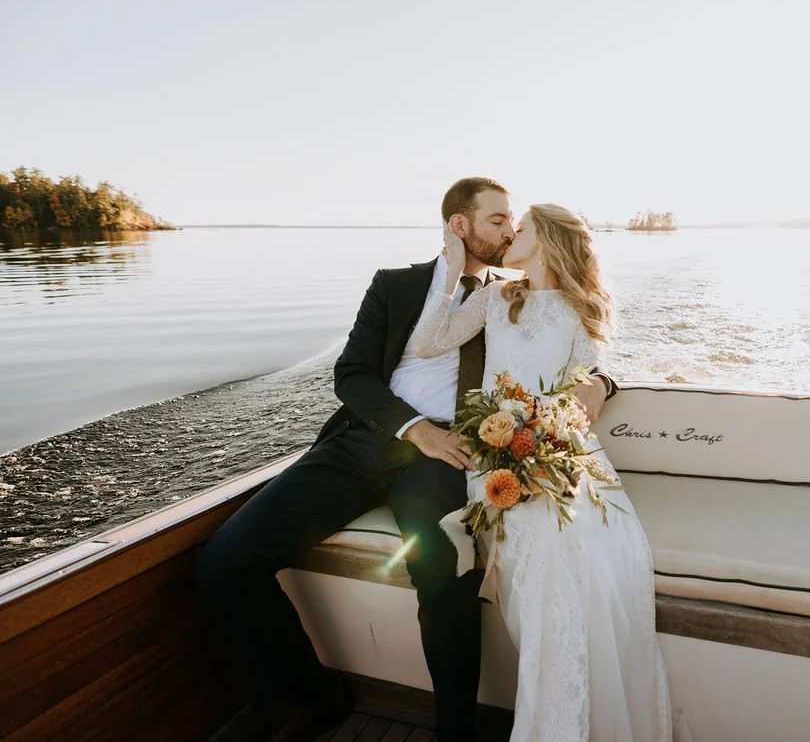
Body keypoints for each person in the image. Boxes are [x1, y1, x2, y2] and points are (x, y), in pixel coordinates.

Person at [196, 178, 617, 742]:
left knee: (445, 572)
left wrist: (604, 381)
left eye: (513, 222)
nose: (509, 230)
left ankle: (454, 731)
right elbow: (351, 375)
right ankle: (311, 697)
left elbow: (577, 346)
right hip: (363, 440)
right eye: (496, 220)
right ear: (459, 224)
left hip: (449, 454)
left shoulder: (512, 298)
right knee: (224, 561)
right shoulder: (394, 285)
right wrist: (412, 428)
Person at [408, 204, 677, 742]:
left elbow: (586, 382)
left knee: (579, 546)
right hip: (494, 451)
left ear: (548, 240)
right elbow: (428, 342)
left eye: (522, 228)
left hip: (560, 449)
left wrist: (584, 401)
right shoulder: (494, 296)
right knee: (545, 553)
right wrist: (454, 266)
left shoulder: (584, 306)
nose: (510, 234)